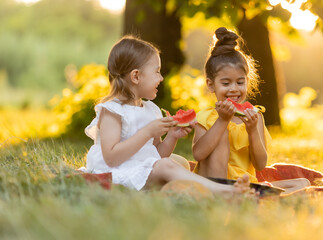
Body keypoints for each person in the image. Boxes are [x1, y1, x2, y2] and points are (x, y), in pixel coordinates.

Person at [82, 35, 252, 198]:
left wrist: (172, 137)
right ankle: (224, 191)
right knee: (167, 166)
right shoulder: (112, 111)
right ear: (136, 76)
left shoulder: (150, 109)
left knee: (178, 162)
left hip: (139, 169)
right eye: (157, 72)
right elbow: (111, 158)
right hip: (117, 172)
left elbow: (156, 155)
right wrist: (148, 132)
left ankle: (182, 189)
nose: (161, 78)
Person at [192, 27, 310, 194]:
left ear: (247, 81)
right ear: (211, 85)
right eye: (226, 83)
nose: (234, 89)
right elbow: (198, 154)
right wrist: (222, 121)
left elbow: (261, 165)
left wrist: (253, 130)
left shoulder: (254, 117)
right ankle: (226, 196)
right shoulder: (205, 117)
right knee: (222, 134)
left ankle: (253, 194)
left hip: (244, 184)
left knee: (303, 183)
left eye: (240, 82)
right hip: (213, 183)